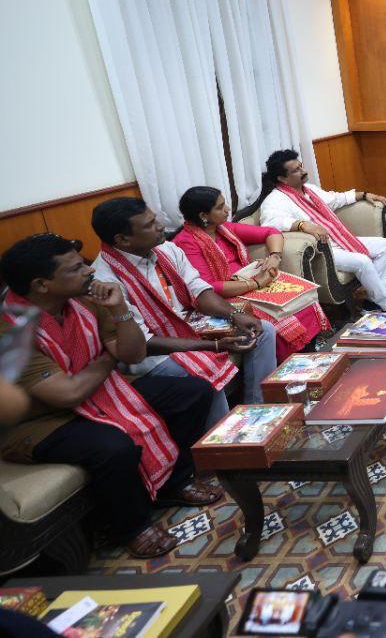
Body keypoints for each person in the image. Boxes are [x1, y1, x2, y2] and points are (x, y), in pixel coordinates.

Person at [0, 234, 221, 559]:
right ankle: (130, 527)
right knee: (112, 446)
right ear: (42, 285)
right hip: (38, 421)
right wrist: (107, 358)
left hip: (100, 391)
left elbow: (131, 353)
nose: (89, 272)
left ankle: (174, 482)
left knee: (192, 392)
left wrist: (119, 310)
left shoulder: (87, 299)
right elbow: (68, 393)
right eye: (76, 269)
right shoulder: (11, 329)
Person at [90, 197, 277, 428]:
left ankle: (259, 412)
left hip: (188, 324)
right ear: (122, 239)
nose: (160, 226)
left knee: (263, 329)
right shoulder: (105, 280)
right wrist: (214, 346)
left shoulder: (166, 249)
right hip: (152, 353)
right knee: (202, 372)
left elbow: (199, 291)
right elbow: (144, 343)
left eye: (155, 219)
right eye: (149, 224)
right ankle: (227, 441)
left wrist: (234, 316)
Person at [172, 187, 330, 364]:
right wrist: (255, 283)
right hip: (224, 300)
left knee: (303, 300)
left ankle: (311, 359)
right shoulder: (186, 243)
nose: (227, 210)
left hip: (250, 284)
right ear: (203, 215)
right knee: (278, 318)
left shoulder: (224, 228)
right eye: (220, 207)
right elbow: (209, 287)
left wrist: (274, 256)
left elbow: (271, 232)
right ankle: (291, 368)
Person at [257, 149, 386, 314]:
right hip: (323, 249)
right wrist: (303, 225)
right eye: (296, 170)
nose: (303, 171)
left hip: (338, 239)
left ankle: (373, 302)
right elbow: (269, 223)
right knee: (363, 261)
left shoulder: (309, 189)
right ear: (282, 178)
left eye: (301, 166)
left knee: (384, 246)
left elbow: (335, 199)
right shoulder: (275, 199)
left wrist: (363, 195)